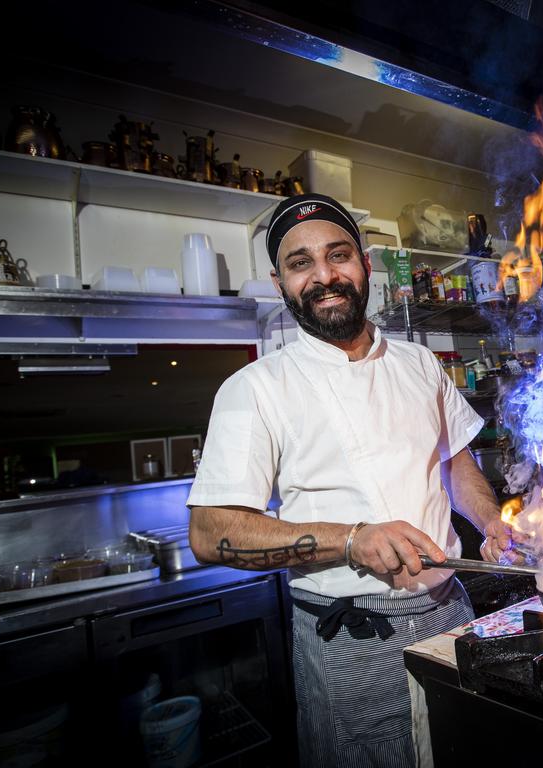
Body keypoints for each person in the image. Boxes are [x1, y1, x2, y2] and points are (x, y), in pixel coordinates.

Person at [187, 192, 518, 767]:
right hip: (352, 637)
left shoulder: (419, 363)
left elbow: (455, 461)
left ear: (366, 264)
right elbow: (211, 533)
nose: (323, 276)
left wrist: (491, 521)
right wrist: (351, 538)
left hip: (451, 610)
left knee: (472, 747)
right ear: (279, 282)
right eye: (300, 263)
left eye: (338, 255)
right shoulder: (255, 388)